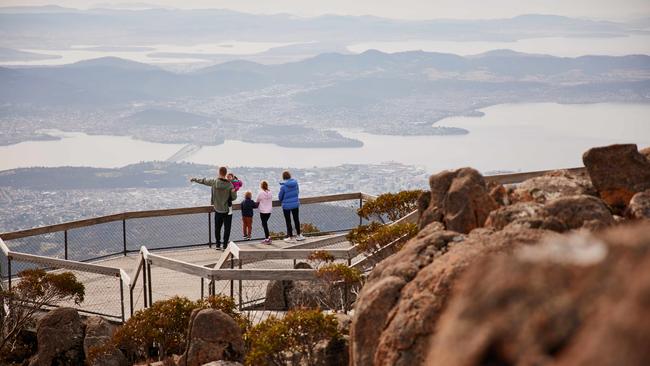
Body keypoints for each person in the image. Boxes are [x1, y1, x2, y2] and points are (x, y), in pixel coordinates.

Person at [190, 166, 236, 249]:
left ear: (219, 172)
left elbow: (203, 181)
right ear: (226, 173)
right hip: (227, 211)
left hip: (217, 209)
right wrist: (233, 192)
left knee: (217, 228)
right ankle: (225, 245)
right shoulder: (230, 185)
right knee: (227, 229)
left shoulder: (214, 182)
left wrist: (194, 179)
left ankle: (218, 244)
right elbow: (233, 198)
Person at [278, 170, 305, 242]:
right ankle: (299, 235)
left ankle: (290, 237)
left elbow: (280, 197)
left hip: (286, 206)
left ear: (283, 177)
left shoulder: (283, 186)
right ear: (290, 176)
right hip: (295, 204)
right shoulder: (295, 184)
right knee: (296, 219)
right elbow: (297, 192)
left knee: (288, 221)